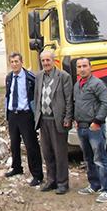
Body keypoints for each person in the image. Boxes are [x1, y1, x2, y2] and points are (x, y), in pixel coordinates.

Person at [73, 57, 107, 203]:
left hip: (94, 128)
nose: (82, 69)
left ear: (91, 67)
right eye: (79, 66)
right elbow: (76, 104)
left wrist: (97, 121)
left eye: (85, 66)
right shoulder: (77, 85)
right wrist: (76, 120)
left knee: (100, 159)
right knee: (88, 158)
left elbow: (106, 104)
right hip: (82, 127)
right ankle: (94, 185)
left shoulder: (97, 84)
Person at [33, 50, 73, 194]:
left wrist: (68, 118)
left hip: (58, 121)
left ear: (54, 61)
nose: (45, 63)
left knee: (60, 153)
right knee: (47, 152)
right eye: (43, 61)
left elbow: (69, 99)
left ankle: (63, 182)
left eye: (48, 60)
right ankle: (51, 180)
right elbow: (37, 96)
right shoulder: (39, 77)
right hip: (43, 120)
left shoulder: (63, 77)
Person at [4, 52, 43, 186]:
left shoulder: (30, 78)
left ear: (21, 62)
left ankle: (37, 174)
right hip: (12, 114)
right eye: (12, 62)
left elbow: (36, 96)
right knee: (14, 143)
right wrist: (7, 113)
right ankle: (17, 167)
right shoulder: (9, 77)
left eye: (16, 61)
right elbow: (7, 95)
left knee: (31, 145)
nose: (14, 64)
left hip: (26, 115)